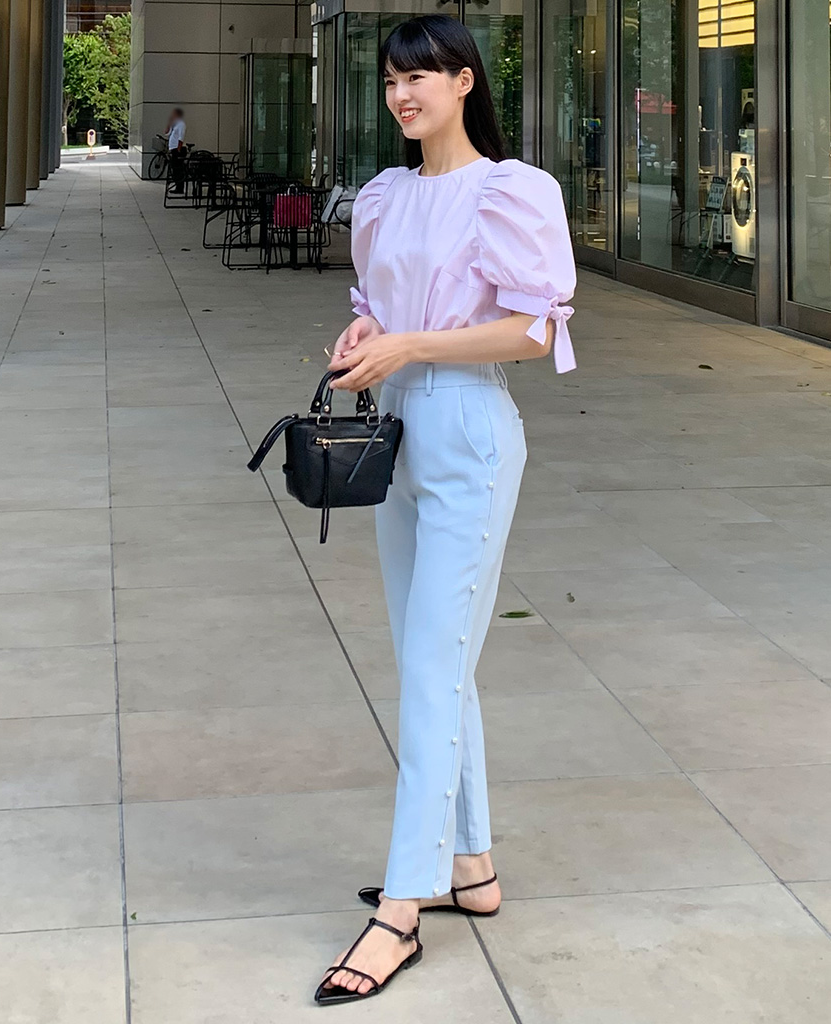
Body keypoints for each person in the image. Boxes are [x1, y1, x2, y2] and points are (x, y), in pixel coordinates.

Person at [313, 15, 577, 1006]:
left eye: (421, 76)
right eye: (392, 79)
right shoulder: (384, 196)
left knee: (432, 661)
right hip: (396, 434)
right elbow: (381, 307)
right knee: (432, 656)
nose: (402, 94)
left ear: (465, 82)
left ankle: (401, 907)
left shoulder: (513, 190)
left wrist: (413, 345)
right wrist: (368, 336)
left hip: (468, 431)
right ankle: (470, 866)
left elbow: (531, 330)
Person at [166, 107, 186, 194]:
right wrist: (169, 123)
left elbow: (181, 137)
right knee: (175, 169)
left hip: (178, 149)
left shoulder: (181, 124)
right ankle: (177, 186)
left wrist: (178, 149)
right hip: (173, 148)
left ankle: (180, 188)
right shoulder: (174, 124)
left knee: (178, 169)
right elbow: (167, 132)